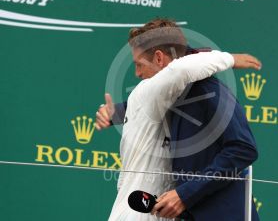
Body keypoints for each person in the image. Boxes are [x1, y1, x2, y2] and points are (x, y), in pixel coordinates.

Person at [95, 19, 261, 221]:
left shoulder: (208, 90)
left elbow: (243, 148)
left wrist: (185, 194)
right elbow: (141, 103)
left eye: (139, 64)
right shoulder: (151, 93)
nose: (137, 73)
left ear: (158, 58)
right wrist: (115, 113)